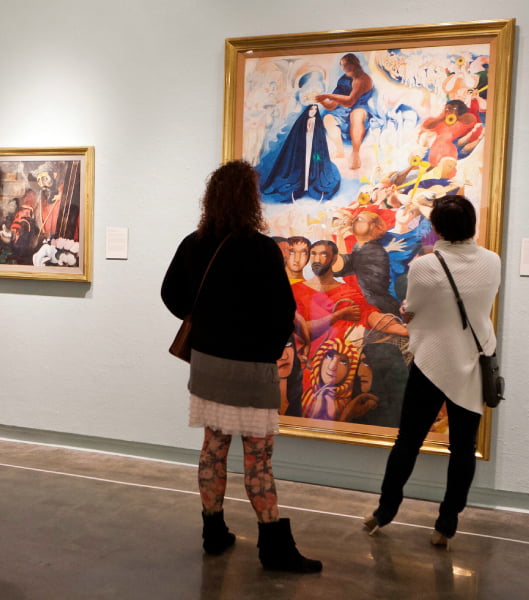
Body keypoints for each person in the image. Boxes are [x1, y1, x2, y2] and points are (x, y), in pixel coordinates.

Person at [161, 160, 321, 573]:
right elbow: (282, 310)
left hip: (208, 363)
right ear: (250, 200)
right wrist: (267, 349)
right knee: (259, 460)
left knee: (213, 451)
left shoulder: (193, 244)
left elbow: (171, 295)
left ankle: (213, 533)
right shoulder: (262, 249)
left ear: (211, 198)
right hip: (251, 367)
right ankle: (273, 546)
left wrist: (209, 326)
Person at [364, 195, 501, 550]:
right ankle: (446, 524)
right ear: (472, 224)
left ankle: (384, 512)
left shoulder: (425, 266)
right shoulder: (492, 261)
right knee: (463, 448)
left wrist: (412, 311)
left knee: (407, 442)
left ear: (436, 228)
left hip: (431, 363)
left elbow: (411, 311)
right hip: (472, 362)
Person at [316, 53, 374, 170]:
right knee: (328, 118)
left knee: (356, 116)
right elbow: (332, 106)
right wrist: (321, 100)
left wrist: (328, 95)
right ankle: (340, 150)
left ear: (354, 63)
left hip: (360, 108)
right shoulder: (343, 81)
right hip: (343, 111)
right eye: (342, 65)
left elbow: (350, 101)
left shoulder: (362, 79)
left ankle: (355, 154)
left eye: (347, 64)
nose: (344, 68)